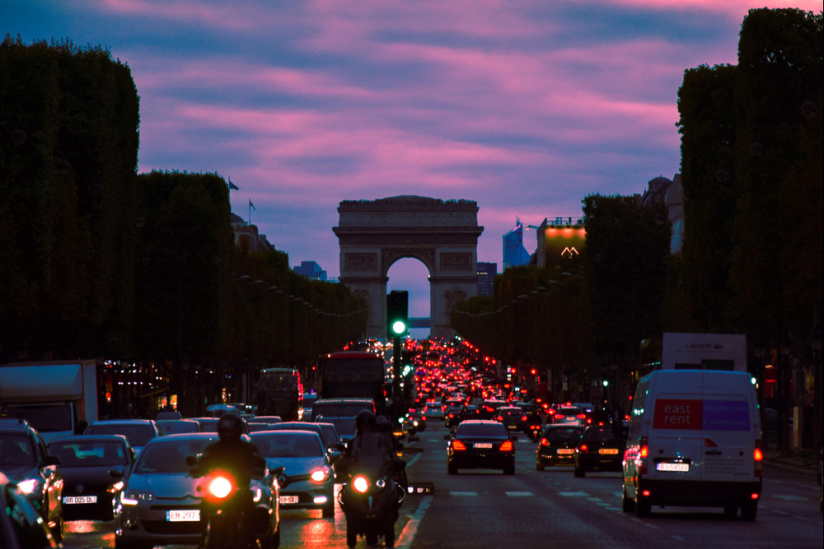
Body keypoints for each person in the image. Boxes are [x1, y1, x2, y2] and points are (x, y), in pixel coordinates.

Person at [190, 413, 266, 548]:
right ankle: (203, 536)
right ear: (220, 431)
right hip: (218, 492)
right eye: (225, 431)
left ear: (237, 431)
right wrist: (198, 469)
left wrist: (257, 470)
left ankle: (251, 539)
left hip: (240, 490)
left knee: (251, 510)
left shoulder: (247, 448)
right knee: (204, 506)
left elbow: (258, 461)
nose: (228, 434)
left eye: (230, 431)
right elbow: (203, 462)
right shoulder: (213, 449)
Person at [343, 410, 395, 478]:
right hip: (359, 477)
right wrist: (343, 464)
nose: (366, 427)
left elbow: (389, 456)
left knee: (394, 485)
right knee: (346, 487)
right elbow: (347, 458)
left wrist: (394, 463)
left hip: (380, 475)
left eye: (368, 425)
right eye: (363, 425)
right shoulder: (354, 442)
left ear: (372, 425)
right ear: (359, 426)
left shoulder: (381, 440)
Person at [374, 415, 408, 491]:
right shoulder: (367, 437)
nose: (380, 428)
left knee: (399, 469)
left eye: (382, 426)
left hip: (388, 459)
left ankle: (403, 488)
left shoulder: (389, 435)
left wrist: (397, 446)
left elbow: (395, 444)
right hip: (372, 462)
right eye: (379, 426)